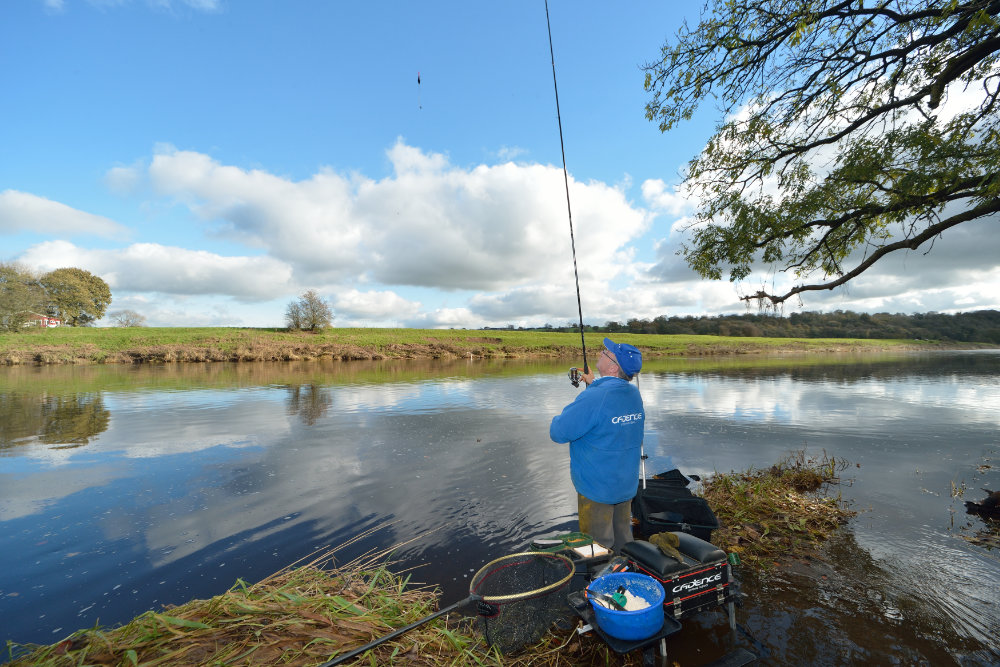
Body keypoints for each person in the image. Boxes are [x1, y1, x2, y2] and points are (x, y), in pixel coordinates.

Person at [550, 337, 644, 553]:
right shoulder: (632, 394)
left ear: (612, 367)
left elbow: (558, 432)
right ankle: (625, 575)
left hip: (597, 488)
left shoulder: (595, 398)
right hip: (624, 485)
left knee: (597, 548)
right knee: (623, 541)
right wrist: (594, 384)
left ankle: (599, 583)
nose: (601, 352)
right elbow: (611, 407)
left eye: (606, 353)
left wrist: (587, 396)